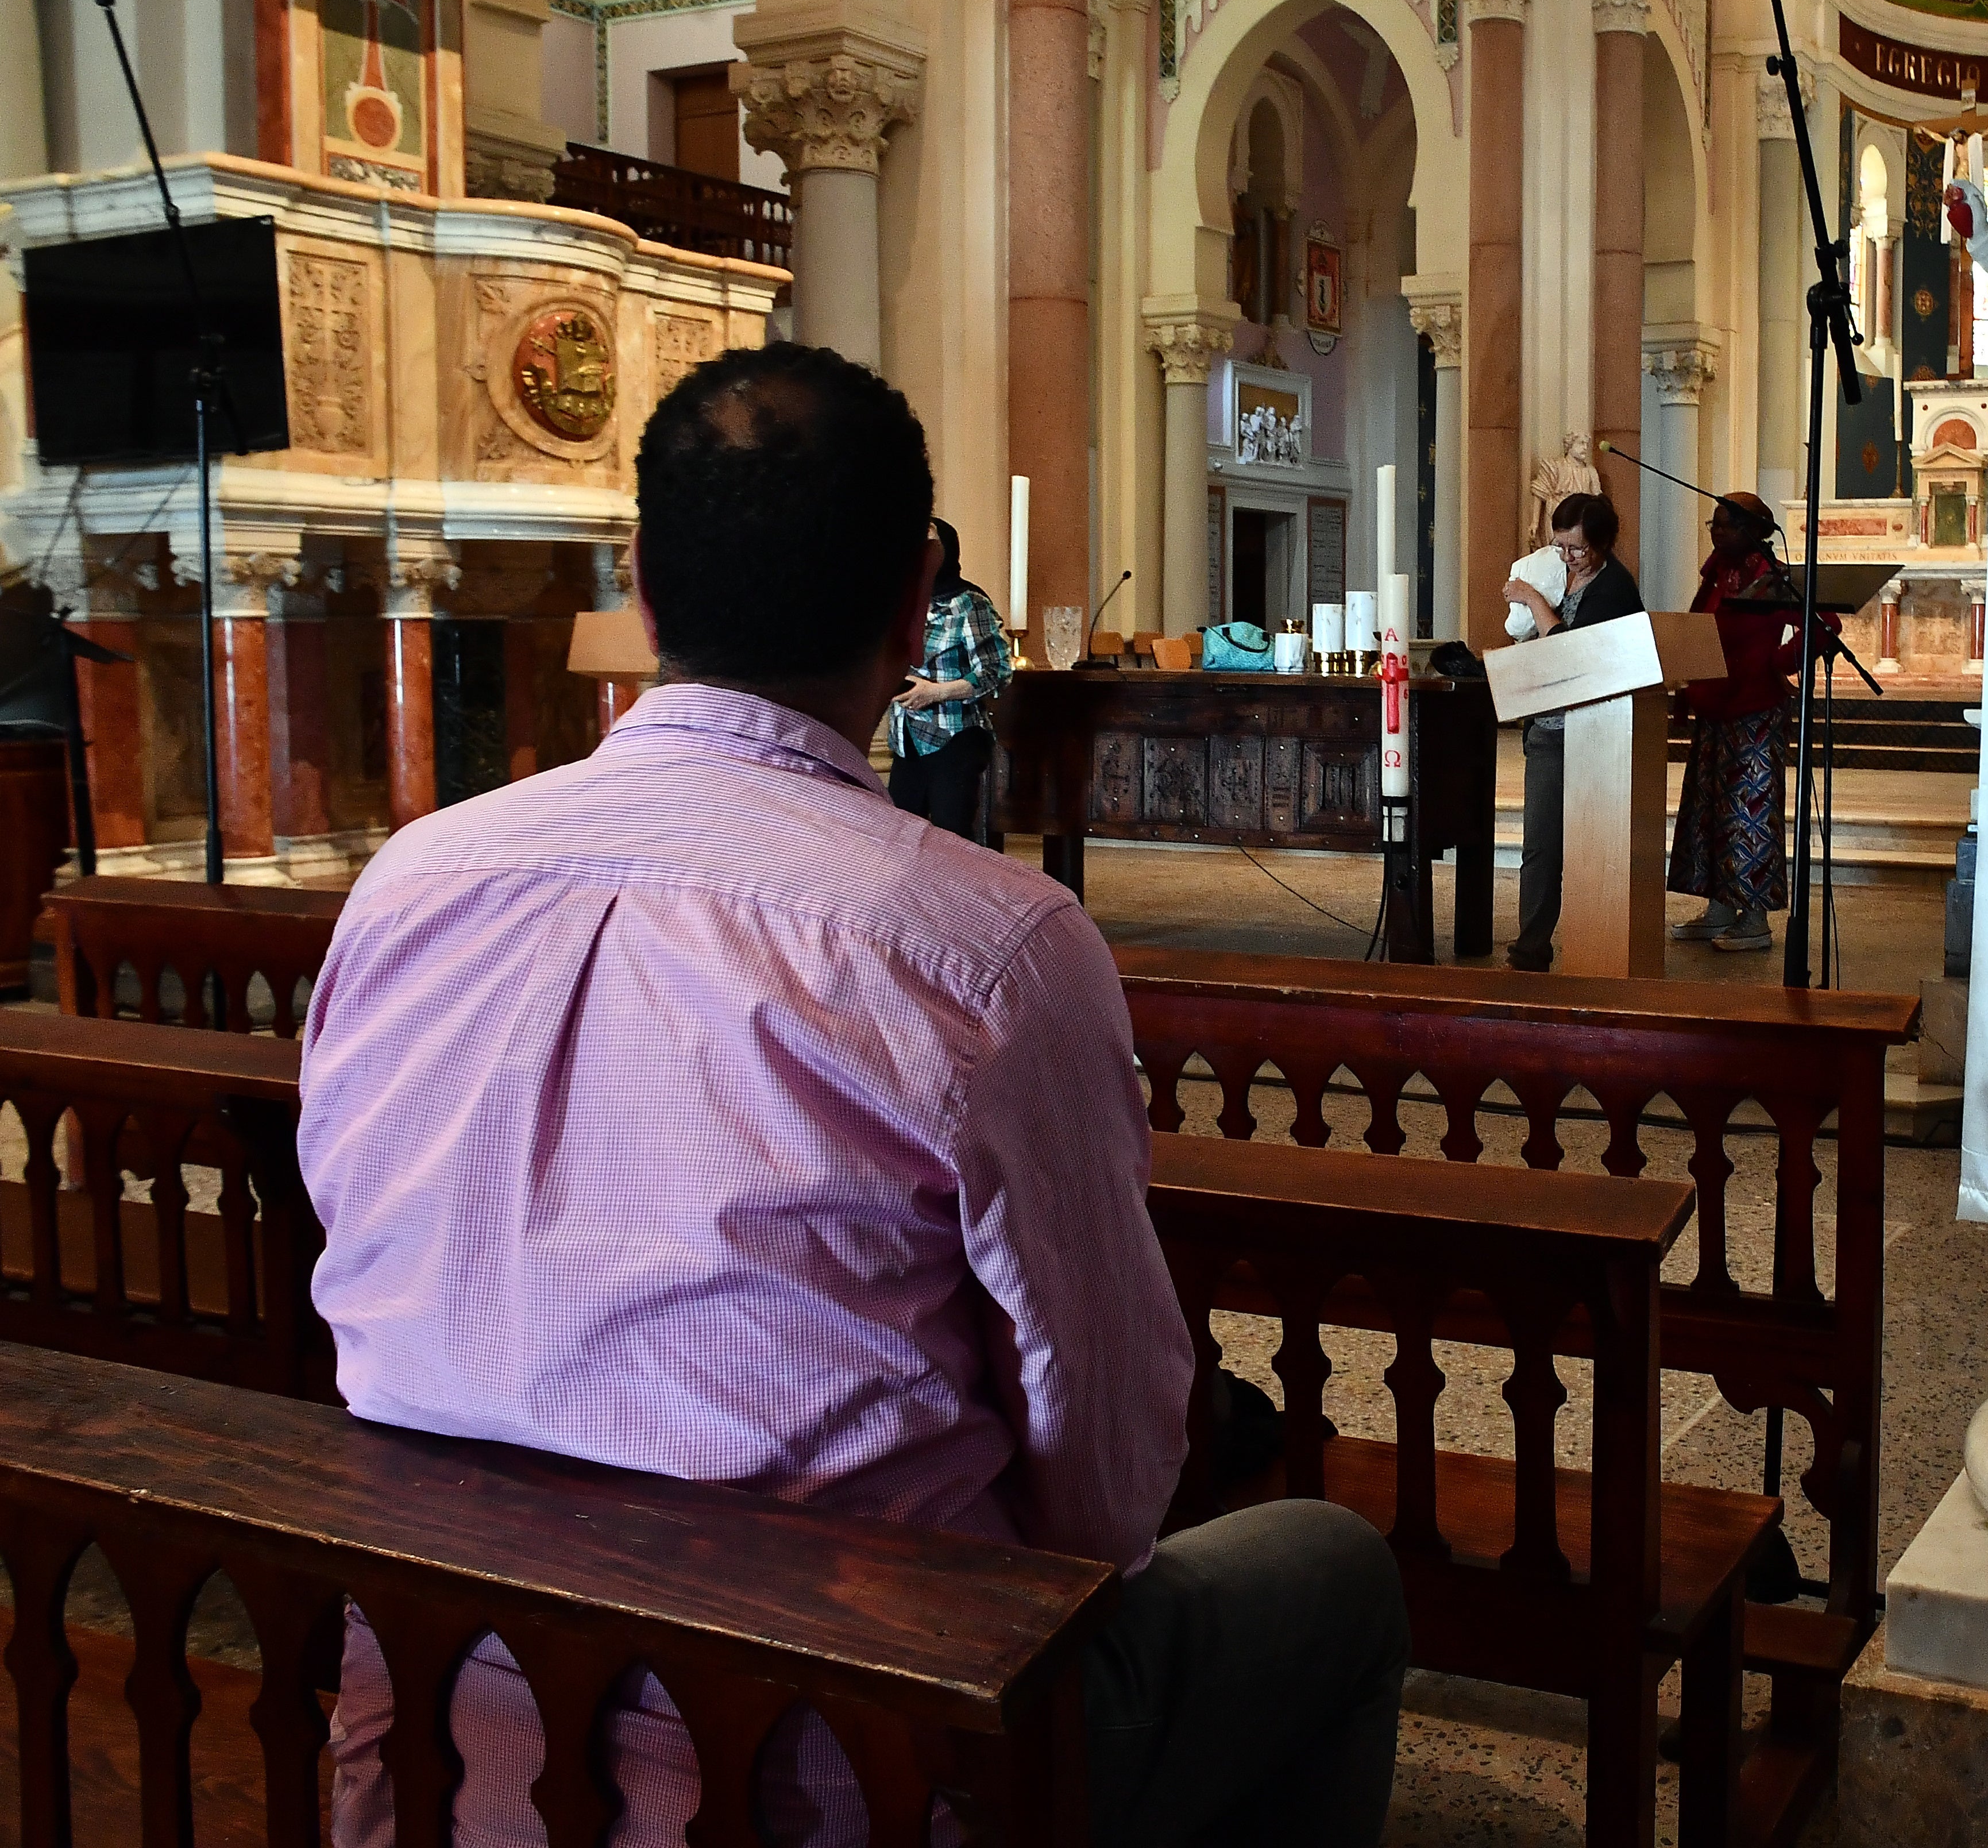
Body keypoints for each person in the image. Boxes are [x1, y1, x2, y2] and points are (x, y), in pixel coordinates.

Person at [298, 343, 1407, 1848]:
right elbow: (1108, 1496)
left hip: (434, 1730)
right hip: (846, 1759)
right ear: (912, 612)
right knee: (1335, 1573)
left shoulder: (409, 885)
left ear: (640, 583)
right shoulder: (989, 949)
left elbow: (356, 1262)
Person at [1500, 489, 1644, 971]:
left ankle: (1592, 946)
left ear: (1603, 544)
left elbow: (1571, 654)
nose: (1568, 558)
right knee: (1539, 846)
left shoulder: (1613, 588)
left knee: (1582, 849)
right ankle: (1530, 947)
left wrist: (1534, 600)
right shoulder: (1556, 571)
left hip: (1591, 734)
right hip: (1548, 728)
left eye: (1578, 549)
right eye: (1561, 547)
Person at [1666, 493, 1810, 952]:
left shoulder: (1770, 577)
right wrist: (1686, 688)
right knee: (1709, 814)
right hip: (1714, 708)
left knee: (1750, 816)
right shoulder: (1715, 572)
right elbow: (1697, 627)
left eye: (1725, 525)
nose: (1715, 530)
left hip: (1755, 712)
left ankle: (1756, 920)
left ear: (1753, 530)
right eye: (1714, 523)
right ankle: (1720, 908)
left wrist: (1777, 662)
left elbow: (1824, 626)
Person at [889, 514, 1012, 843]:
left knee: (952, 839)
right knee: (900, 839)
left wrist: (938, 693)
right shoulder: (905, 603)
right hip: (907, 738)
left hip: (954, 737)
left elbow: (996, 670)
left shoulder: (970, 604)